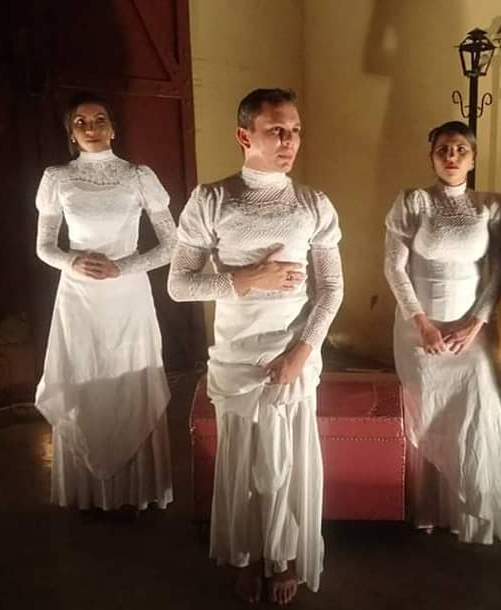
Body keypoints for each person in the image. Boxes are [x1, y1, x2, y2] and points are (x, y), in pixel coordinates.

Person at [168, 88, 343, 605]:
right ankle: (246, 555)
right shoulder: (212, 199)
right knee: (242, 461)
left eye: (295, 131)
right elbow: (179, 284)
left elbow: (332, 288)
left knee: (286, 460)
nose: (289, 141)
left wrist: (302, 352)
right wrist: (247, 278)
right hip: (236, 353)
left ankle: (283, 555)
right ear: (245, 135)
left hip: (294, 351)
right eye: (276, 131)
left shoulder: (313, 203)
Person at [33, 92, 177, 515]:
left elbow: (171, 244)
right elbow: (44, 245)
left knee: (129, 378)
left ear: (113, 129)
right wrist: (72, 261)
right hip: (78, 298)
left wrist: (123, 267)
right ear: (70, 134)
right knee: (84, 376)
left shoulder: (138, 176)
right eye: (81, 122)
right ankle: (88, 492)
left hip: (127, 296)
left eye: (99, 120)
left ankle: (137, 489)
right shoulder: (56, 178)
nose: (91, 128)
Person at [384, 120, 501, 545]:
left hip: (472, 329)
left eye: (461, 149)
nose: (452, 156)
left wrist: (476, 324)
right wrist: (422, 324)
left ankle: (470, 508)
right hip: (419, 327)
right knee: (427, 410)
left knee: (479, 406)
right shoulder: (413, 202)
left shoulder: (489, 207)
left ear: (473, 158)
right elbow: (394, 268)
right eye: (443, 148)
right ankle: (428, 507)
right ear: (432, 157)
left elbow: (499, 272)